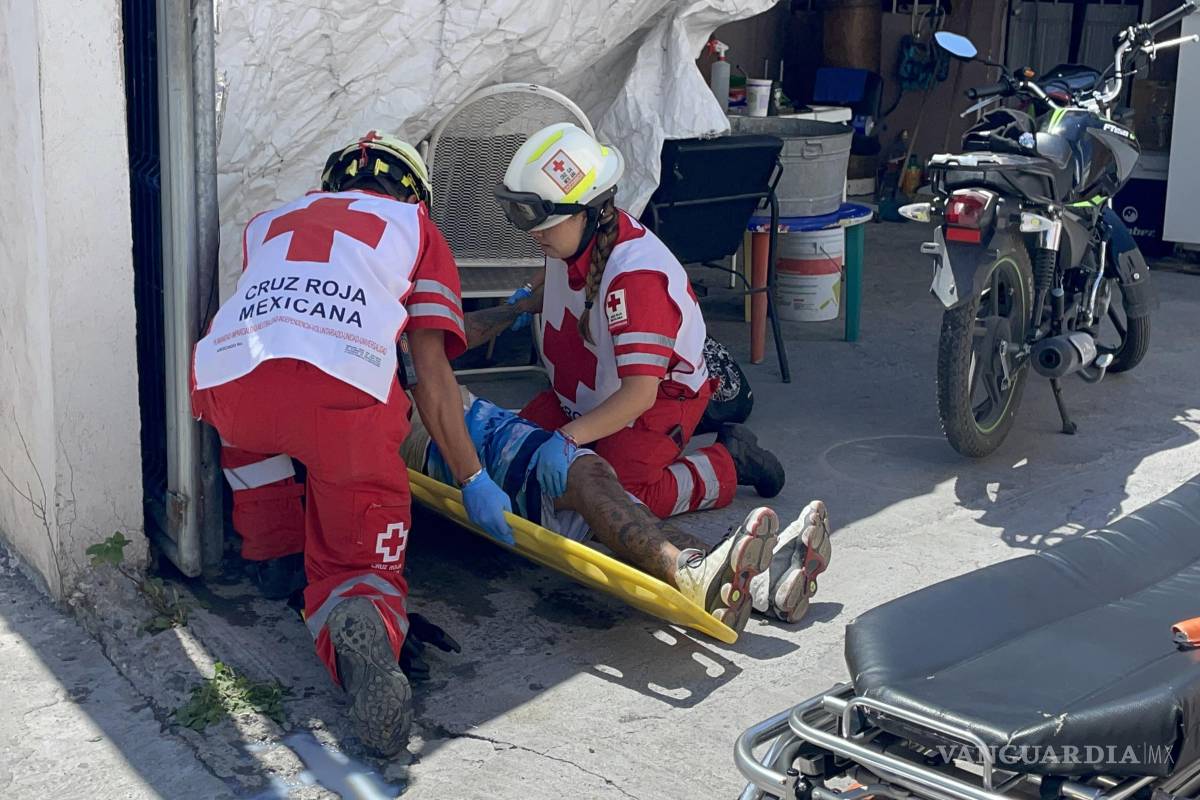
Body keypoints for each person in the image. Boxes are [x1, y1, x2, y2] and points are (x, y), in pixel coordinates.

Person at [191, 131, 514, 757]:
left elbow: (278, 327)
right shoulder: (415, 228)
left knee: (262, 432)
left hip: (227, 384)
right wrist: (473, 478)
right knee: (357, 542)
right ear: (414, 192)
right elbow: (430, 374)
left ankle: (273, 555)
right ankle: (360, 608)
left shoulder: (270, 220)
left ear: (334, 182)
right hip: (341, 402)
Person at [492, 123, 785, 520]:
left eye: (541, 223)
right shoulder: (575, 238)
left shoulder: (637, 280)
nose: (533, 233)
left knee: (621, 498)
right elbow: (568, 280)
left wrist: (568, 439)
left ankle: (729, 462)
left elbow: (639, 395)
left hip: (660, 399)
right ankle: (600, 441)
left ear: (586, 211)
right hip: (585, 395)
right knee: (514, 457)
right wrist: (528, 298)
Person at [401, 387, 832, 628]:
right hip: (462, 442)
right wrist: (472, 478)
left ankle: (759, 584)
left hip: (483, 427)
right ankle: (689, 571)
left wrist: (522, 304)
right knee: (587, 475)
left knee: (620, 511)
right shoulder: (393, 365)